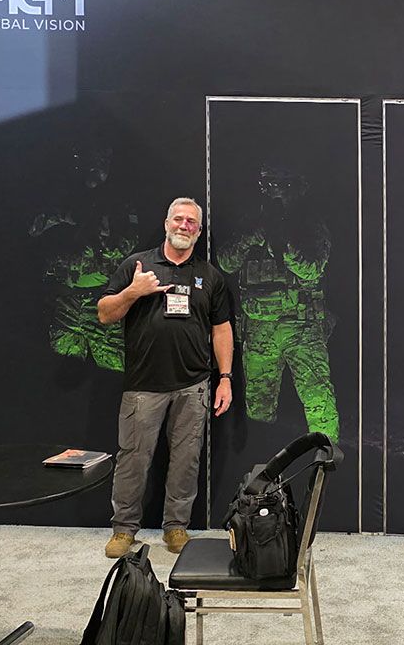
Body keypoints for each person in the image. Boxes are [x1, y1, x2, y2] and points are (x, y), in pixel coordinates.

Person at [98, 197, 234, 558]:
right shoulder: (137, 266)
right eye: (179, 219)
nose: (184, 226)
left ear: (199, 231)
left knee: (186, 460)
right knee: (133, 458)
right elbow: (105, 314)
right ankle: (123, 529)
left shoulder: (210, 276)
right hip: (144, 385)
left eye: (191, 222)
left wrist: (225, 377)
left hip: (193, 385)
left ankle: (176, 527)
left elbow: (221, 330)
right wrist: (134, 291)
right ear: (166, 223)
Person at [215, 165, 339, 440]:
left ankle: (326, 455)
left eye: (282, 186)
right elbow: (226, 262)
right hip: (259, 329)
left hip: (302, 327)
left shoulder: (309, 224)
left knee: (317, 398)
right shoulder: (250, 222)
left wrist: (282, 245)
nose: (275, 192)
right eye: (269, 186)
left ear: (298, 189)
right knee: (258, 406)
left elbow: (312, 269)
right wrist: (251, 237)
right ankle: (261, 454)